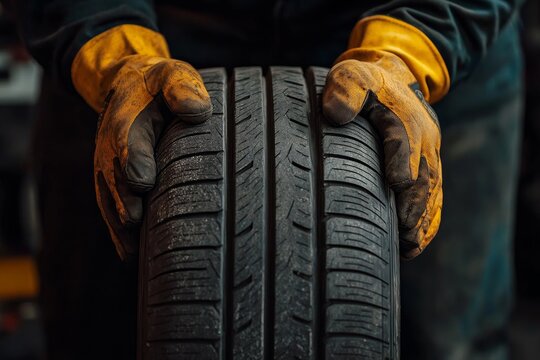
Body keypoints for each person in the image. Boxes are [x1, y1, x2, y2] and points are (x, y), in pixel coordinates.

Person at [13, 0, 524, 358]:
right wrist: (113, 53)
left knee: (445, 341)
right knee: (100, 337)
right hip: (148, 41)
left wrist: (410, 50)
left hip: (421, 39)